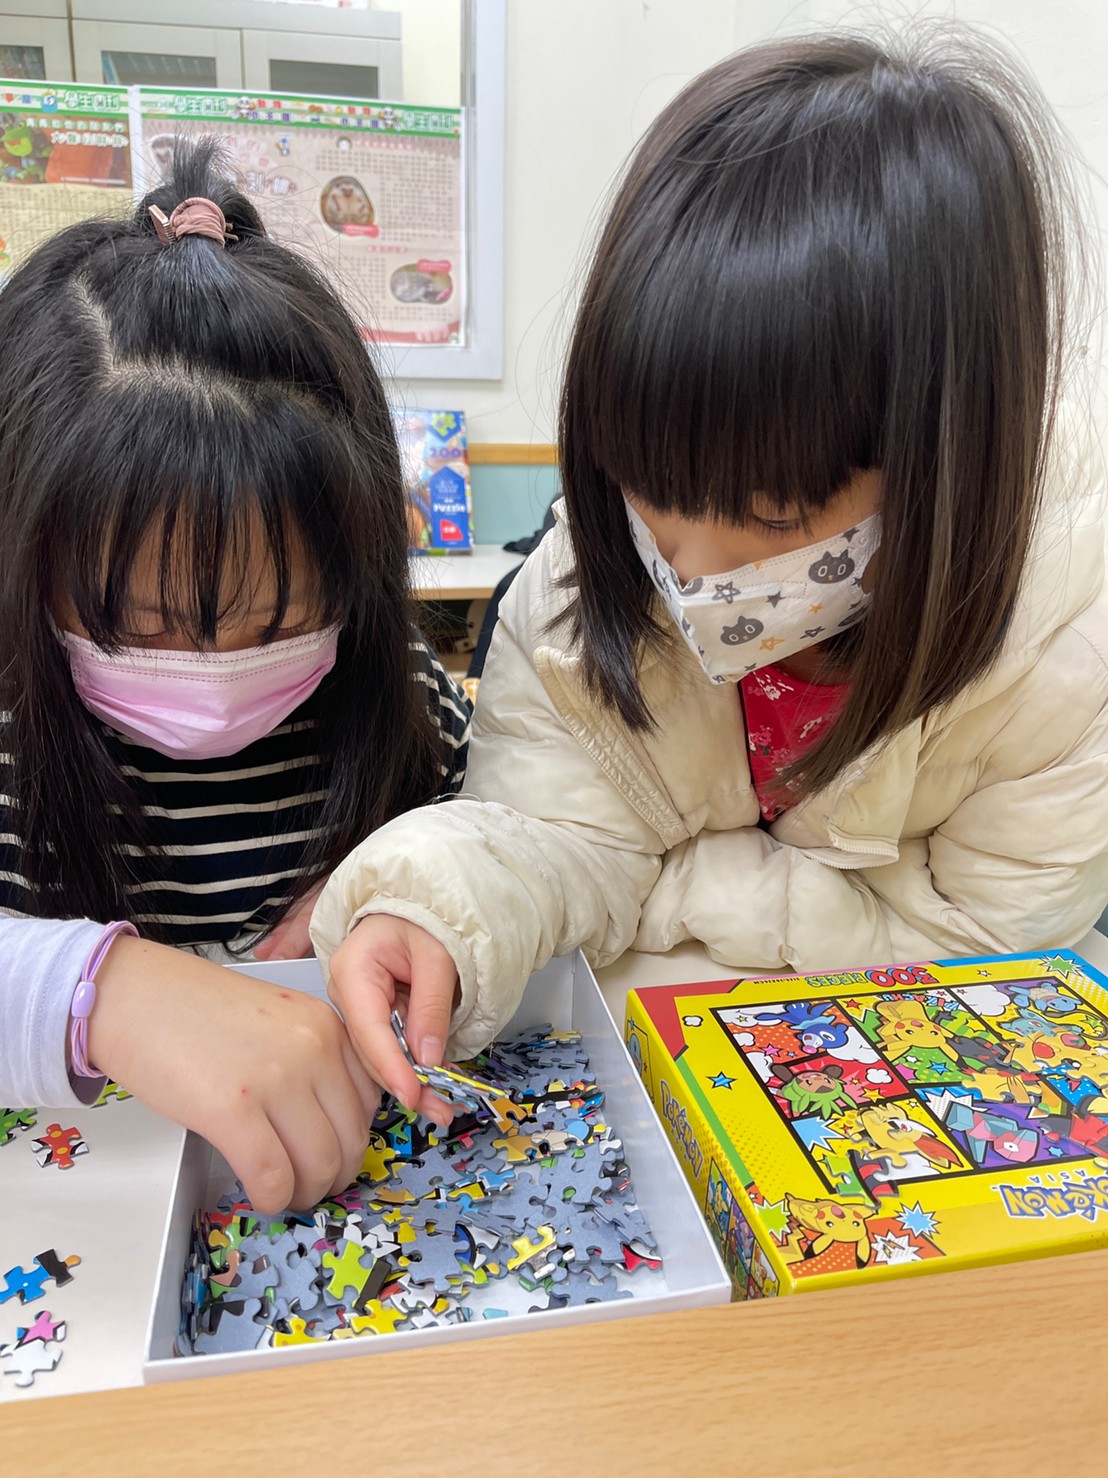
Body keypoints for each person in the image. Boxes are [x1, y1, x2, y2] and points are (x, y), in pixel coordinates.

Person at [310, 30, 1108, 1111]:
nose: (684, 566)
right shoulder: (574, 591)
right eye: (646, 481)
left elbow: (985, 958)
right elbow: (552, 840)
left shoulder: (1073, 636)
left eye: (770, 513)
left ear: (949, 462)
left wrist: (679, 876)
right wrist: (436, 907)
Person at [0, 140, 469, 1211]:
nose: (215, 673)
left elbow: (499, 823)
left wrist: (408, 878)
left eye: (281, 618)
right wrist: (102, 993)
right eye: (140, 625)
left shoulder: (389, 683)